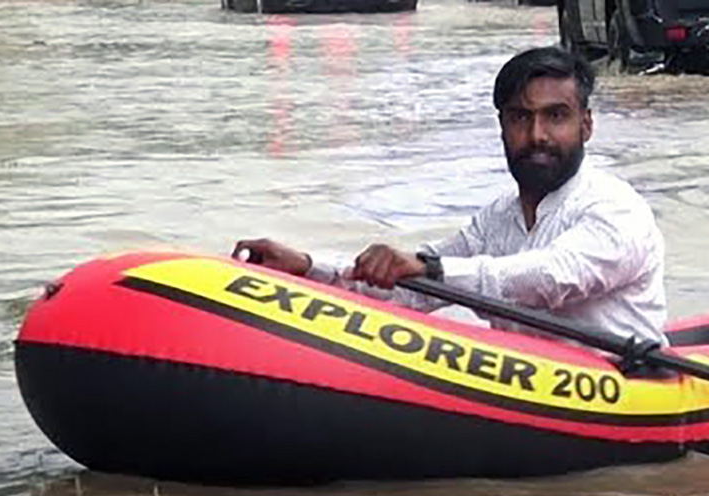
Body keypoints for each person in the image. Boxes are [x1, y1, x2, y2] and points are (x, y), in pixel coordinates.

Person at [233, 46, 666, 344]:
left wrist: (430, 268)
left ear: (586, 126)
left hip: (628, 392)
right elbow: (410, 290)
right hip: (526, 395)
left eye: (556, 116)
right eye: (520, 118)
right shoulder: (495, 221)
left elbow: (551, 278)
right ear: (502, 126)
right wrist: (307, 266)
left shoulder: (616, 208)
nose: (537, 135)